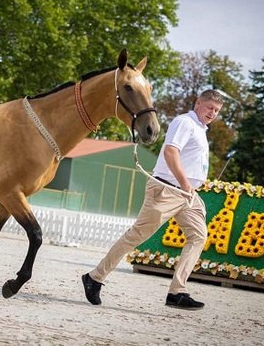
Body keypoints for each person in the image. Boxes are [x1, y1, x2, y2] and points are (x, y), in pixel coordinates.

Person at [82, 89, 224, 310]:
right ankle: (95, 277)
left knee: (198, 236)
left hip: (186, 195)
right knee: (136, 236)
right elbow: (170, 152)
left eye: (216, 110)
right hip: (167, 190)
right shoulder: (185, 122)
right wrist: (186, 183)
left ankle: (177, 292)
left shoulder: (200, 129)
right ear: (198, 104)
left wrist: (191, 188)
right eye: (209, 108)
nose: (212, 113)